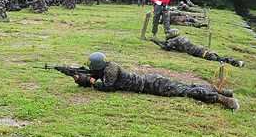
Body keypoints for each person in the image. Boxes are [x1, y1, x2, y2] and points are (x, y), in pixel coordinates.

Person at [74, 52, 240, 111]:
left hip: (153, 85)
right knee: (185, 86)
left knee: (188, 92)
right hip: (151, 81)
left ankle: (224, 100)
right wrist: (82, 77)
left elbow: (107, 87)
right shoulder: (108, 66)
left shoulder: (111, 70)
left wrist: (90, 82)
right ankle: (220, 91)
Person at [152, 30, 244, 67]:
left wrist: (156, 43)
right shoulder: (181, 37)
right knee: (216, 57)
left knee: (216, 58)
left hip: (198, 51)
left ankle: (235, 62)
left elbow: (166, 47)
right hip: (198, 49)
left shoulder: (176, 40)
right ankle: (235, 62)